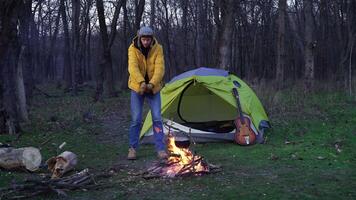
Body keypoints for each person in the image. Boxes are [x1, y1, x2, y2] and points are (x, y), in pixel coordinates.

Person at [127, 26, 167, 160]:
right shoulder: (132, 49)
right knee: (136, 119)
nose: (145, 42)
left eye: (148, 39)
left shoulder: (158, 48)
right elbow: (132, 68)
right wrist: (141, 83)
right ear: (140, 38)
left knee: (157, 118)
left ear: (151, 39)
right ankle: (132, 149)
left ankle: (161, 149)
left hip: (153, 88)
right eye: (143, 39)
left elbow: (160, 69)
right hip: (137, 87)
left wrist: (151, 84)